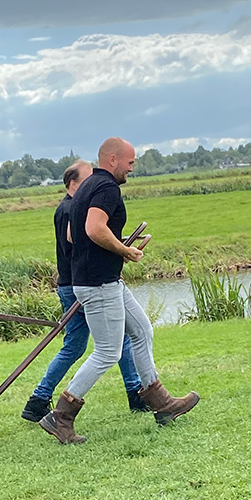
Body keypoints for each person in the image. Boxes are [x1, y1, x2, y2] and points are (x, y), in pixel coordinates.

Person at [39, 137, 199, 444]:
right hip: (98, 283)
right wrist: (123, 251)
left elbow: (82, 235)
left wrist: (120, 245)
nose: (132, 168)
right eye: (130, 162)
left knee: (142, 331)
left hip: (102, 279)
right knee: (107, 352)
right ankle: (61, 416)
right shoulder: (106, 188)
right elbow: (94, 229)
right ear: (112, 159)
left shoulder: (88, 186)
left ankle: (161, 403)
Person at [21, 160, 152, 422]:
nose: (91, 184)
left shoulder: (69, 205)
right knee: (100, 346)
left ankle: (39, 400)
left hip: (73, 282)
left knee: (88, 344)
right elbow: (77, 237)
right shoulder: (72, 207)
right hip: (80, 283)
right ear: (73, 184)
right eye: (86, 179)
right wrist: (117, 248)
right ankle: (44, 401)